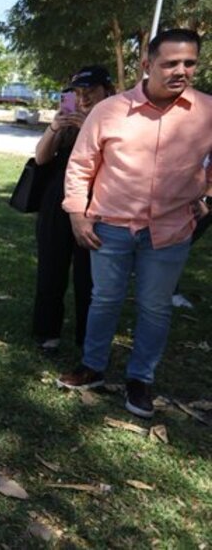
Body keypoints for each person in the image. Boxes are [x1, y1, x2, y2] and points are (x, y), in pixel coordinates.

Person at [57, 29, 212, 419]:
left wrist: (206, 196)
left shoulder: (207, 112)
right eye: (170, 63)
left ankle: (140, 379)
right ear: (147, 64)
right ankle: (92, 366)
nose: (180, 71)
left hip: (171, 230)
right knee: (104, 299)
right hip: (111, 225)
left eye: (189, 63)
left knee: (155, 307)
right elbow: (81, 165)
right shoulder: (110, 111)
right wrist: (77, 213)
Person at [31, 66, 114, 352]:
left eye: (90, 91)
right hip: (57, 199)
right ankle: (47, 331)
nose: (83, 99)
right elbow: (41, 158)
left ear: (107, 91)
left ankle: (86, 336)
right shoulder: (67, 121)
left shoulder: (116, 120)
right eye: (77, 93)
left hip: (97, 200)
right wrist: (56, 127)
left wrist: (88, 128)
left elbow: (116, 162)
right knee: (50, 267)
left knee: (88, 274)